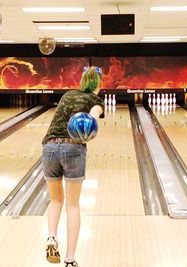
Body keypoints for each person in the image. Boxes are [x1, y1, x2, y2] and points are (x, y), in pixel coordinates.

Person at [42, 66, 104, 267]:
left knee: (55, 200)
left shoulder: (68, 94)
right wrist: (89, 127)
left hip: (50, 146)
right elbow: (93, 116)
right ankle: (69, 259)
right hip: (73, 148)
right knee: (73, 205)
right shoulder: (96, 100)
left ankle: (51, 237)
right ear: (99, 84)